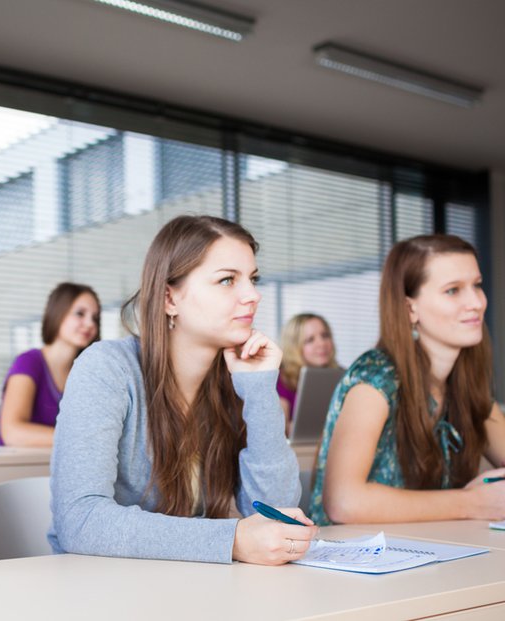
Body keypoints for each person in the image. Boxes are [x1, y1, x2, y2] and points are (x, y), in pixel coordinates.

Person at [50, 215, 317, 565]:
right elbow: (80, 520)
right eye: (226, 280)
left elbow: (277, 513)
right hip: (106, 591)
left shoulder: (237, 380)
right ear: (169, 299)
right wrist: (231, 540)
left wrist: (259, 389)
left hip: (204, 588)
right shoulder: (107, 368)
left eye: (253, 280)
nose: (253, 296)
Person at [309, 234, 505, 525]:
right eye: (453, 290)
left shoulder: (466, 383)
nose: (477, 302)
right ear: (410, 308)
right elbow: (343, 502)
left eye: (477, 285)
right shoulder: (376, 376)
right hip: (350, 561)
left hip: (436, 555)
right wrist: (469, 503)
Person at [0, 283, 100, 447]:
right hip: (21, 466)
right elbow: (12, 432)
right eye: (80, 314)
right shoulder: (28, 362)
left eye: (95, 318)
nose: (90, 324)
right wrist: (79, 440)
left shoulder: (86, 373)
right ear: (58, 314)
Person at [277, 313, 339, 436]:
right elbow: (279, 430)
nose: (322, 343)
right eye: (310, 340)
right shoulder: (281, 379)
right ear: (294, 346)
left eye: (325, 335)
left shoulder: (341, 375)